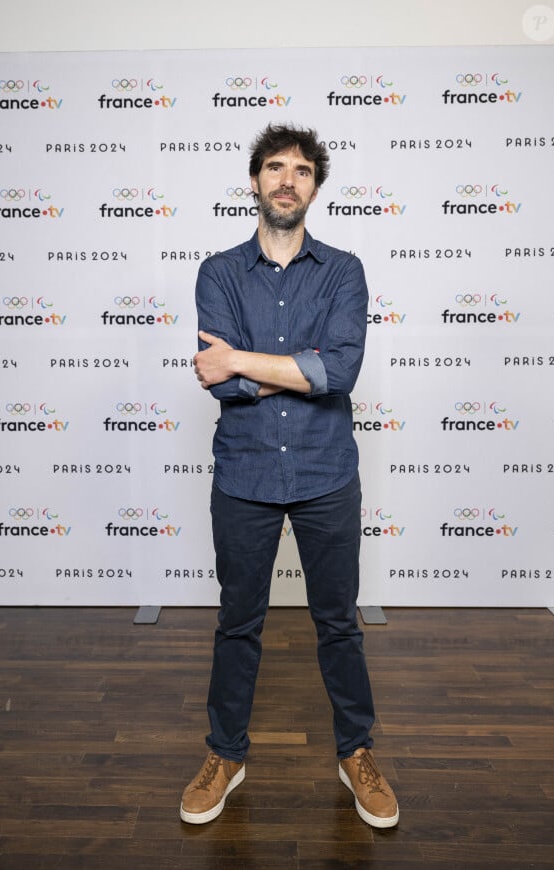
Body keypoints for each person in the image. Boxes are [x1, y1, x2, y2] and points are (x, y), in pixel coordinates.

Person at [181, 123, 399, 829]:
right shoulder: (218, 272)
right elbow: (221, 385)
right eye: (274, 168)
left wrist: (245, 360)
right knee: (237, 623)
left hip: (325, 473)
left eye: (301, 171)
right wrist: (288, 370)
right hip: (243, 474)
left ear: (314, 187)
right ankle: (225, 754)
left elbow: (338, 371)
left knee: (338, 624)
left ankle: (356, 752)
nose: (286, 180)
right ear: (254, 181)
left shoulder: (344, 270)